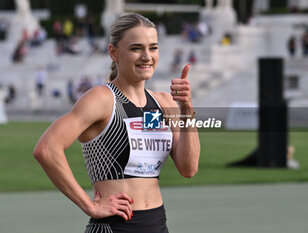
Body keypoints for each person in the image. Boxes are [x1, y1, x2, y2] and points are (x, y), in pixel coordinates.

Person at [33, 13, 200, 233]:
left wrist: (186, 109)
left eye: (153, 47)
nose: (147, 56)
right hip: (114, 227)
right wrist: (89, 205)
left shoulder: (164, 102)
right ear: (114, 53)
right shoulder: (102, 99)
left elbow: (188, 168)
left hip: (157, 225)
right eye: (136, 48)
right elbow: (46, 149)